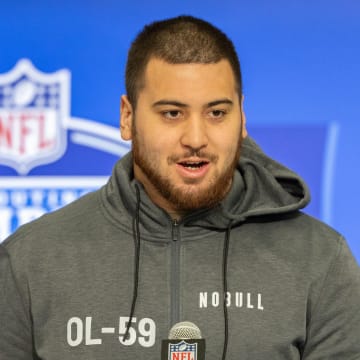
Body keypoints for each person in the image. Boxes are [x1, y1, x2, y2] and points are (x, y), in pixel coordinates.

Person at [0, 15, 359, 360]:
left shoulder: (319, 260)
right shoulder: (28, 262)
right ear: (127, 117)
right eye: (172, 113)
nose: (196, 138)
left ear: (242, 116)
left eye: (217, 113)